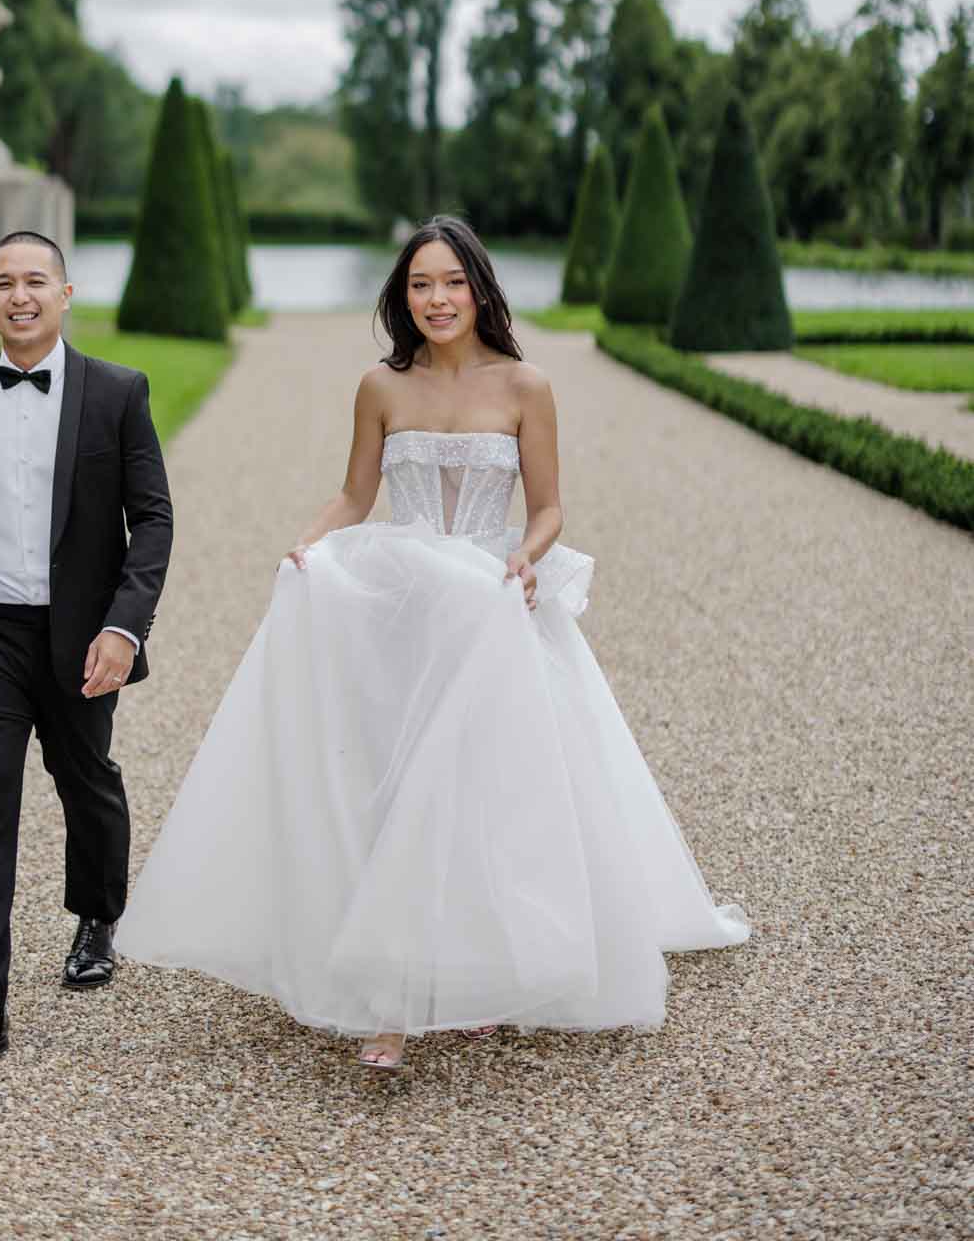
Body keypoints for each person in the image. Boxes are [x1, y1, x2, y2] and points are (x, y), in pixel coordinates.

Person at [117, 215, 747, 1071]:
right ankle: (398, 993)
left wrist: (523, 561)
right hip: (405, 606)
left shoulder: (527, 387)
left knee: (481, 791)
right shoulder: (382, 387)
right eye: (420, 285)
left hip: (492, 601)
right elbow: (354, 495)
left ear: (480, 287)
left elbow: (551, 508)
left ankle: (449, 984)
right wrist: (308, 544)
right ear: (401, 296)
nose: (437, 299)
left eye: (451, 282)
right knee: (399, 780)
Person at [0, 230, 173, 1074]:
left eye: (35, 281)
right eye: (2, 283)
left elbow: (154, 520)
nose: (19, 295)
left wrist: (122, 628)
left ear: (66, 294)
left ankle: (98, 913)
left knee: (85, 780)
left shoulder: (117, 393)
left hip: (80, 638)